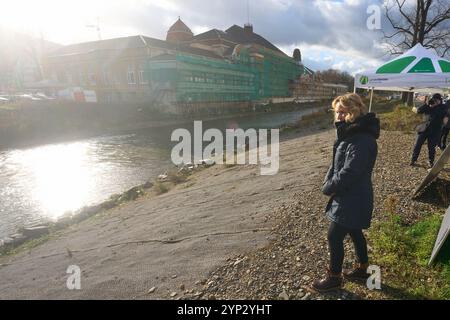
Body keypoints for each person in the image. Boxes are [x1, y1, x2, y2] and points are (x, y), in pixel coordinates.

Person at [312, 93, 380, 293]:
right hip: (351, 195)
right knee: (354, 230)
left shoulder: (362, 139)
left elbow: (350, 171)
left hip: (353, 196)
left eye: (343, 112)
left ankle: (334, 278)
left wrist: (329, 186)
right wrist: (328, 180)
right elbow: (337, 163)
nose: (338, 116)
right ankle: (363, 269)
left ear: (354, 112)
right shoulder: (350, 134)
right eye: (337, 112)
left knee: (334, 236)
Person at [411, 93, 448, 167]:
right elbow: (419, 111)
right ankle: (413, 160)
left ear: (440, 100)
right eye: (434, 100)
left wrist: (434, 106)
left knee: (431, 148)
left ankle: (431, 162)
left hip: (435, 131)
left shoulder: (443, 107)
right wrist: (427, 104)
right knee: (417, 145)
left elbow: (440, 114)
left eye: (437, 100)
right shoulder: (429, 105)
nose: (435, 101)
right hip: (424, 129)